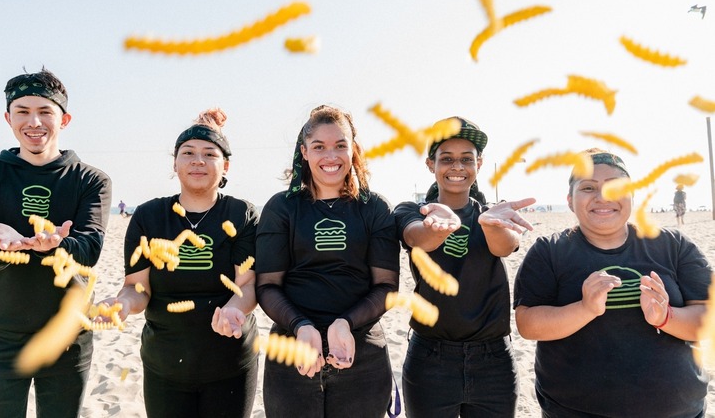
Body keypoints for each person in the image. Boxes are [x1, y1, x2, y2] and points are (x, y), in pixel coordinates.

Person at [0, 68, 112, 418]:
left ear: (65, 119)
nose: (34, 122)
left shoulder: (90, 180)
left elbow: (89, 248)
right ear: (8, 118)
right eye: (23, 112)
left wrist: (55, 246)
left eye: (45, 112)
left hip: (67, 337)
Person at [514, 148, 711, 417]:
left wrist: (667, 317)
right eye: (588, 187)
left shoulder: (673, 246)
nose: (602, 196)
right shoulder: (549, 251)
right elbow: (528, 324)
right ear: (570, 200)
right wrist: (584, 310)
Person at [96, 108, 259, 418]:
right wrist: (122, 305)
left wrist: (234, 310)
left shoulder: (241, 214)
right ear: (175, 163)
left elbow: (247, 284)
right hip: (164, 364)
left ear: (225, 166)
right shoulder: (149, 216)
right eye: (188, 153)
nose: (198, 160)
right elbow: (136, 288)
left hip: (230, 362)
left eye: (209, 154)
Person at [255, 105, 400, 417]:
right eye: (319, 147)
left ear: (354, 150)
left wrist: (345, 323)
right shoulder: (282, 208)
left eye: (340, 145)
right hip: (292, 354)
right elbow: (267, 286)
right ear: (304, 152)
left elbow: (386, 286)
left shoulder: (374, 208)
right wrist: (301, 325)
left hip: (362, 355)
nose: (330, 156)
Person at [394, 116, 534, 417]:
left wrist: (488, 224)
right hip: (430, 358)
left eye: (466, 159)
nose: (457, 166)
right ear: (431, 165)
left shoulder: (494, 213)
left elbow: (505, 246)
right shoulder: (412, 211)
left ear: (479, 165)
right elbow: (417, 237)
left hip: (493, 360)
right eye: (446, 159)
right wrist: (437, 228)